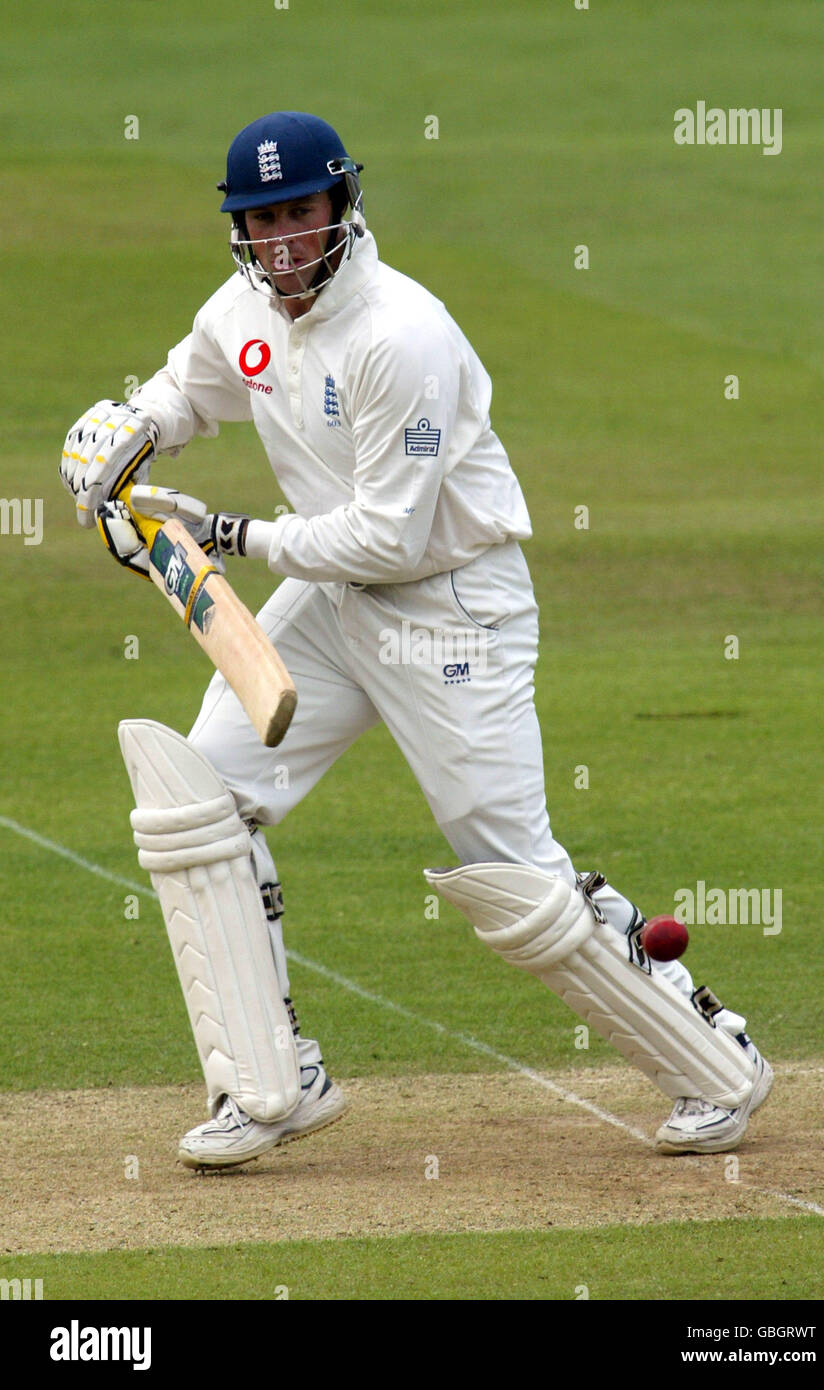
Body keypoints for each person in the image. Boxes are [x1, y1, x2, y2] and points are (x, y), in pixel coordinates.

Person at [60, 112, 772, 1169]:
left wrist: (224, 535)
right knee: (197, 802)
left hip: (450, 608)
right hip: (334, 601)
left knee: (511, 880)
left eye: (300, 213)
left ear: (342, 205)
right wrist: (123, 431)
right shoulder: (239, 311)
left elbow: (387, 536)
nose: (283, 242)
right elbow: (187, 390)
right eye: (260, 221)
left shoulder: (402, 335)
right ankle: (270, 1080)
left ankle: (712, 1059)